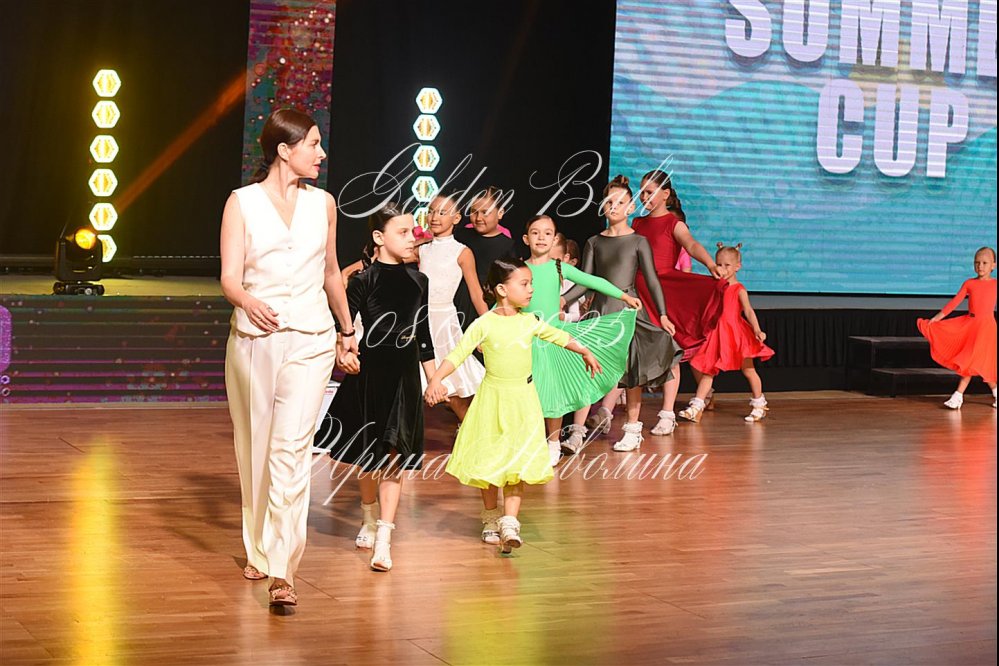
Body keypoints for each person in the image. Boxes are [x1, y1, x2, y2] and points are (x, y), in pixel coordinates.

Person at [220, 108, 356, 607]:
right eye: (313, 144)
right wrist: (246, 300)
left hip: (312, 337)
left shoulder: (323, 203)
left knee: (290, 449)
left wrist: (346, 329)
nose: (322, 153)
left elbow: (331, 271)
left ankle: (283, 569)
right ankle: (258, 548)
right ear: (284, 149)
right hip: (255, 338)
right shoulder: (242, 203)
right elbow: (229, 277)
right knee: (255, 446)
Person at [424, 257, 601, 553]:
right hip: (492, 401)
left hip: (523, 402)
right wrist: (436, 380)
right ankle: (490, 518)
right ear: (502, 290)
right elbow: (458, 353)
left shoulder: (529, 321)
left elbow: (559, 336)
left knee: (516, 464)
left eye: (531, 283)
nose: (531, 289)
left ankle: (510, 522)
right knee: (490, 462)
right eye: (524, 284)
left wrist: (584, 350)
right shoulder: (485, 324)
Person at [321, 203, 437, 572]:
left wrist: (434, 378)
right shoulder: (363, 280)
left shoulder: (420, 281)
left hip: (405, 377)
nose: (412, 238)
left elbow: (423, 334)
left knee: (395, 454)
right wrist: (342, 351)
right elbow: (343, 324)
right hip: (371, 374)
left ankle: (385, 536)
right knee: (369, 455)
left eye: (412, 231)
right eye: (402, 232)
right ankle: (369, 517)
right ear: (379, 237)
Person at [567, 176, 683, 452]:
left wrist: (663, 314)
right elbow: (586, 281)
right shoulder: (594, 242)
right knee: (588, 370)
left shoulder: (639, 241)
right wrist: (563, 299)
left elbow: (652, 280)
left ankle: (632, 430)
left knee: (631, 373)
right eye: (609, 202)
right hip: (600, 313)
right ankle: (577, 433)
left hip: (628, 313)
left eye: (620, 202)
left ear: (631, 208)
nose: (614, 206)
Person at [522, 215, 638, 463]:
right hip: (526, 339)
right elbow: (505, 300)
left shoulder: (559, 268)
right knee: (526, 394)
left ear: (554, 239)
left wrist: (624, 297)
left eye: (547, 233)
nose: (541, 237)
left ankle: (553, 444)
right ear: (525, 238)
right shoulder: (520, 270)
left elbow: (593, 280)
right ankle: (528, 442)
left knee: (553, 394)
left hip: (555, 338)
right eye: (535, 232)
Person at [679, 244, 774, 423]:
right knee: (708, 370)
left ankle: (759, 405)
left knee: (749, 370)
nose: (722, 269)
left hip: (736, 334)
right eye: (719, 264)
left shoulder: (739, 289)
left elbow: (748, 310)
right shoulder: (715, 285)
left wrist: (757, 329)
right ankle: (696, 407)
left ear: (737, 266)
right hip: (716, 333)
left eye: (727, 265)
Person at [418, 191, 489, 421]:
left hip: (445, 323)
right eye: (431, 212)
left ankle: (471, 432)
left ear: (456, 218)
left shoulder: (462, 252)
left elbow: (476, 293)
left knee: (454, 388)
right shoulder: (421, 249)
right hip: (421, 320)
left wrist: (489, 326)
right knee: (416, 381)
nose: (434, 217)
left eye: (442, 212)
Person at [917, 247, 997, 409]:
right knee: (976, 364)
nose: (980, 266)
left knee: (972, 362)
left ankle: (958, 395)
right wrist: (937, 318)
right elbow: (954, 302)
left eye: (984, 263)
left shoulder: (995, 284)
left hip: (986, 328)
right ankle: (993, 392)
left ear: (993, 265)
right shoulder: (969, 283)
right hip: (970, 326)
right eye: (977, 262)